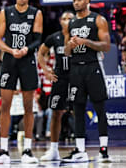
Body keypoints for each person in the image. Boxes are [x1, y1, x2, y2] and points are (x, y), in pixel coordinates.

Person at [0, 0, 43, 164]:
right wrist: (10, 49)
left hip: (27, 61)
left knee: (29, 107)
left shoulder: (36, 13)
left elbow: (38, 40)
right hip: (9, 61)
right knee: (5, 105)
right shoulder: (6, 12)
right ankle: (3, 150)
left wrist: (27, 49)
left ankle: (27, 150)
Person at [61, 0, 111, 163]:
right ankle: (80, 150)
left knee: (99, 108)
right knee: (78, 109)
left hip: (93, 67)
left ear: (88, 1)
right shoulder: (71, 23)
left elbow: (106, 46)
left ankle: (103, 149)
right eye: (74, 0)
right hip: (75, 69)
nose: (76, 2)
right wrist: (70, 45)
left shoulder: (98, 19)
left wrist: (86, 42)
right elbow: (66, 52)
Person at [37, 11, 74, 161]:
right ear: (60, 21)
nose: (66, 21)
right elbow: (40, 53)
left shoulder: (80, 37)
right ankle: (53, 149)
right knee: (56, 113)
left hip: (76, 78)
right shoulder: (55, 37)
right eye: (64, 18)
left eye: (70, 18)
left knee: (77, 112)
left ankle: (80, 148)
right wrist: (46, 71)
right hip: (59, 79)